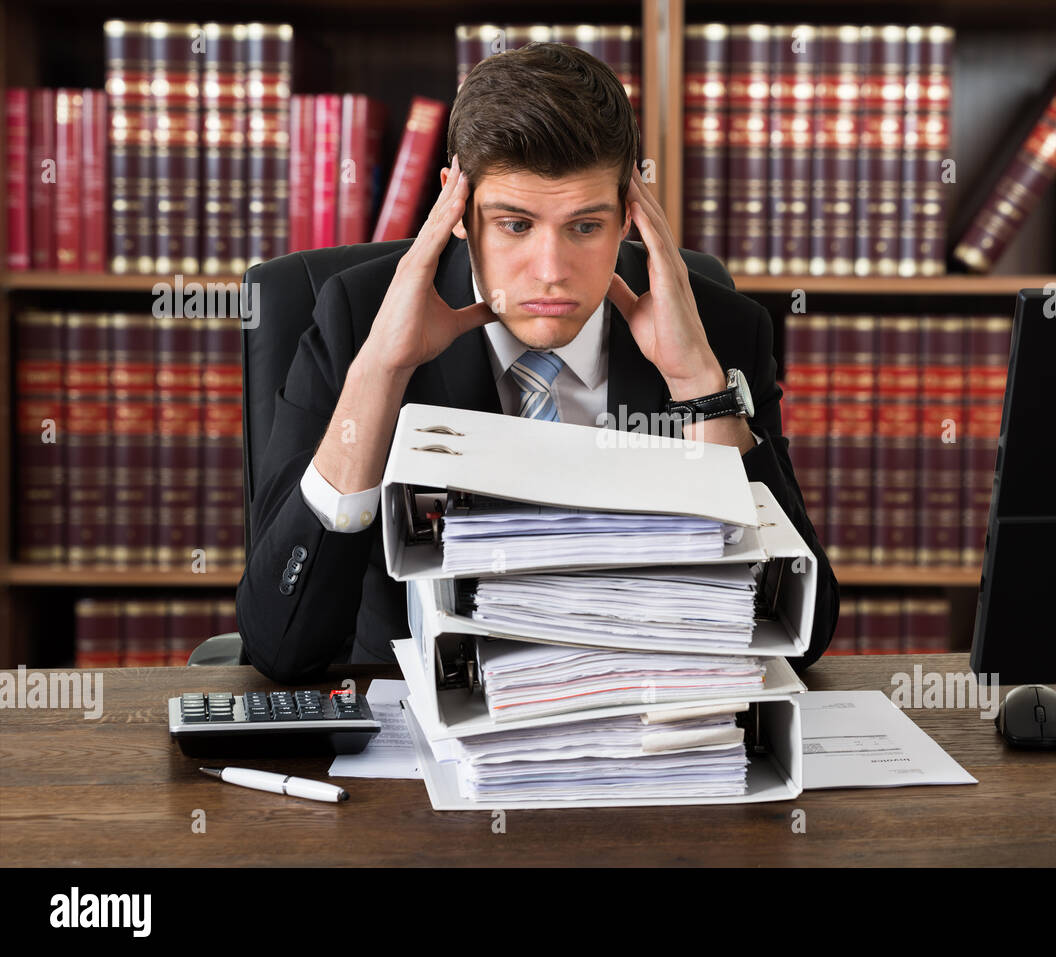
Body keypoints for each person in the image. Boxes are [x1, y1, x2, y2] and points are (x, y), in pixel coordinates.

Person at [236, 41, 839, 682]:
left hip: (648, 733)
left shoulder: (719, 330)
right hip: (418, 749)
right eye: (515, 224)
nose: (551, 274)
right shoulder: (357, 316)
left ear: (629, 216)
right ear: (457, 208)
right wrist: (381, 374)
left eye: (585, 226)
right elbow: (281, 644)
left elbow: (800, 640)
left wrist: (698, 386)